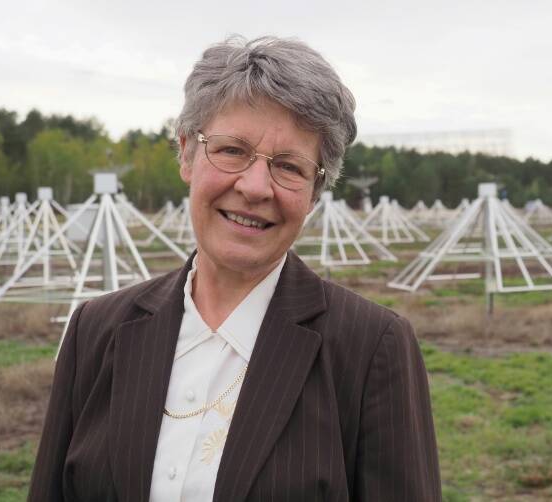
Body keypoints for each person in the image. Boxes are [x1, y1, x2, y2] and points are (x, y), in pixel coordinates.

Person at [28, 36, 441, 501]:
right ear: (186, 152)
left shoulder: (370, 349)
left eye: (289, 166)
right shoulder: (97, 329)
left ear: (315, 189)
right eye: (231, 151)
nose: (255, 186)